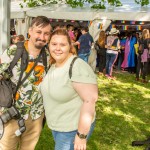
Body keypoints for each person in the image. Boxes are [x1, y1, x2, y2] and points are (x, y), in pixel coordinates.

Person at [40, 29, 98, 150]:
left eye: (63, 44)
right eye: (54, 44)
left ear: (70, 46)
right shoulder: (54, 64)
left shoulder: (77, 66)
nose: (58, 48)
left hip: (72, 129)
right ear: (48, 45)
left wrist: (81, 135)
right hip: (58, 126)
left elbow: (90, 100)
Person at [0, 16, 52, 149]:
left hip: (35, 117)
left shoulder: (48, 56)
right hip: (11, 115)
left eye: (46, 33)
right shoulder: (14, 51)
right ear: (30, 31)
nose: (42, 37)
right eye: (39, 32)